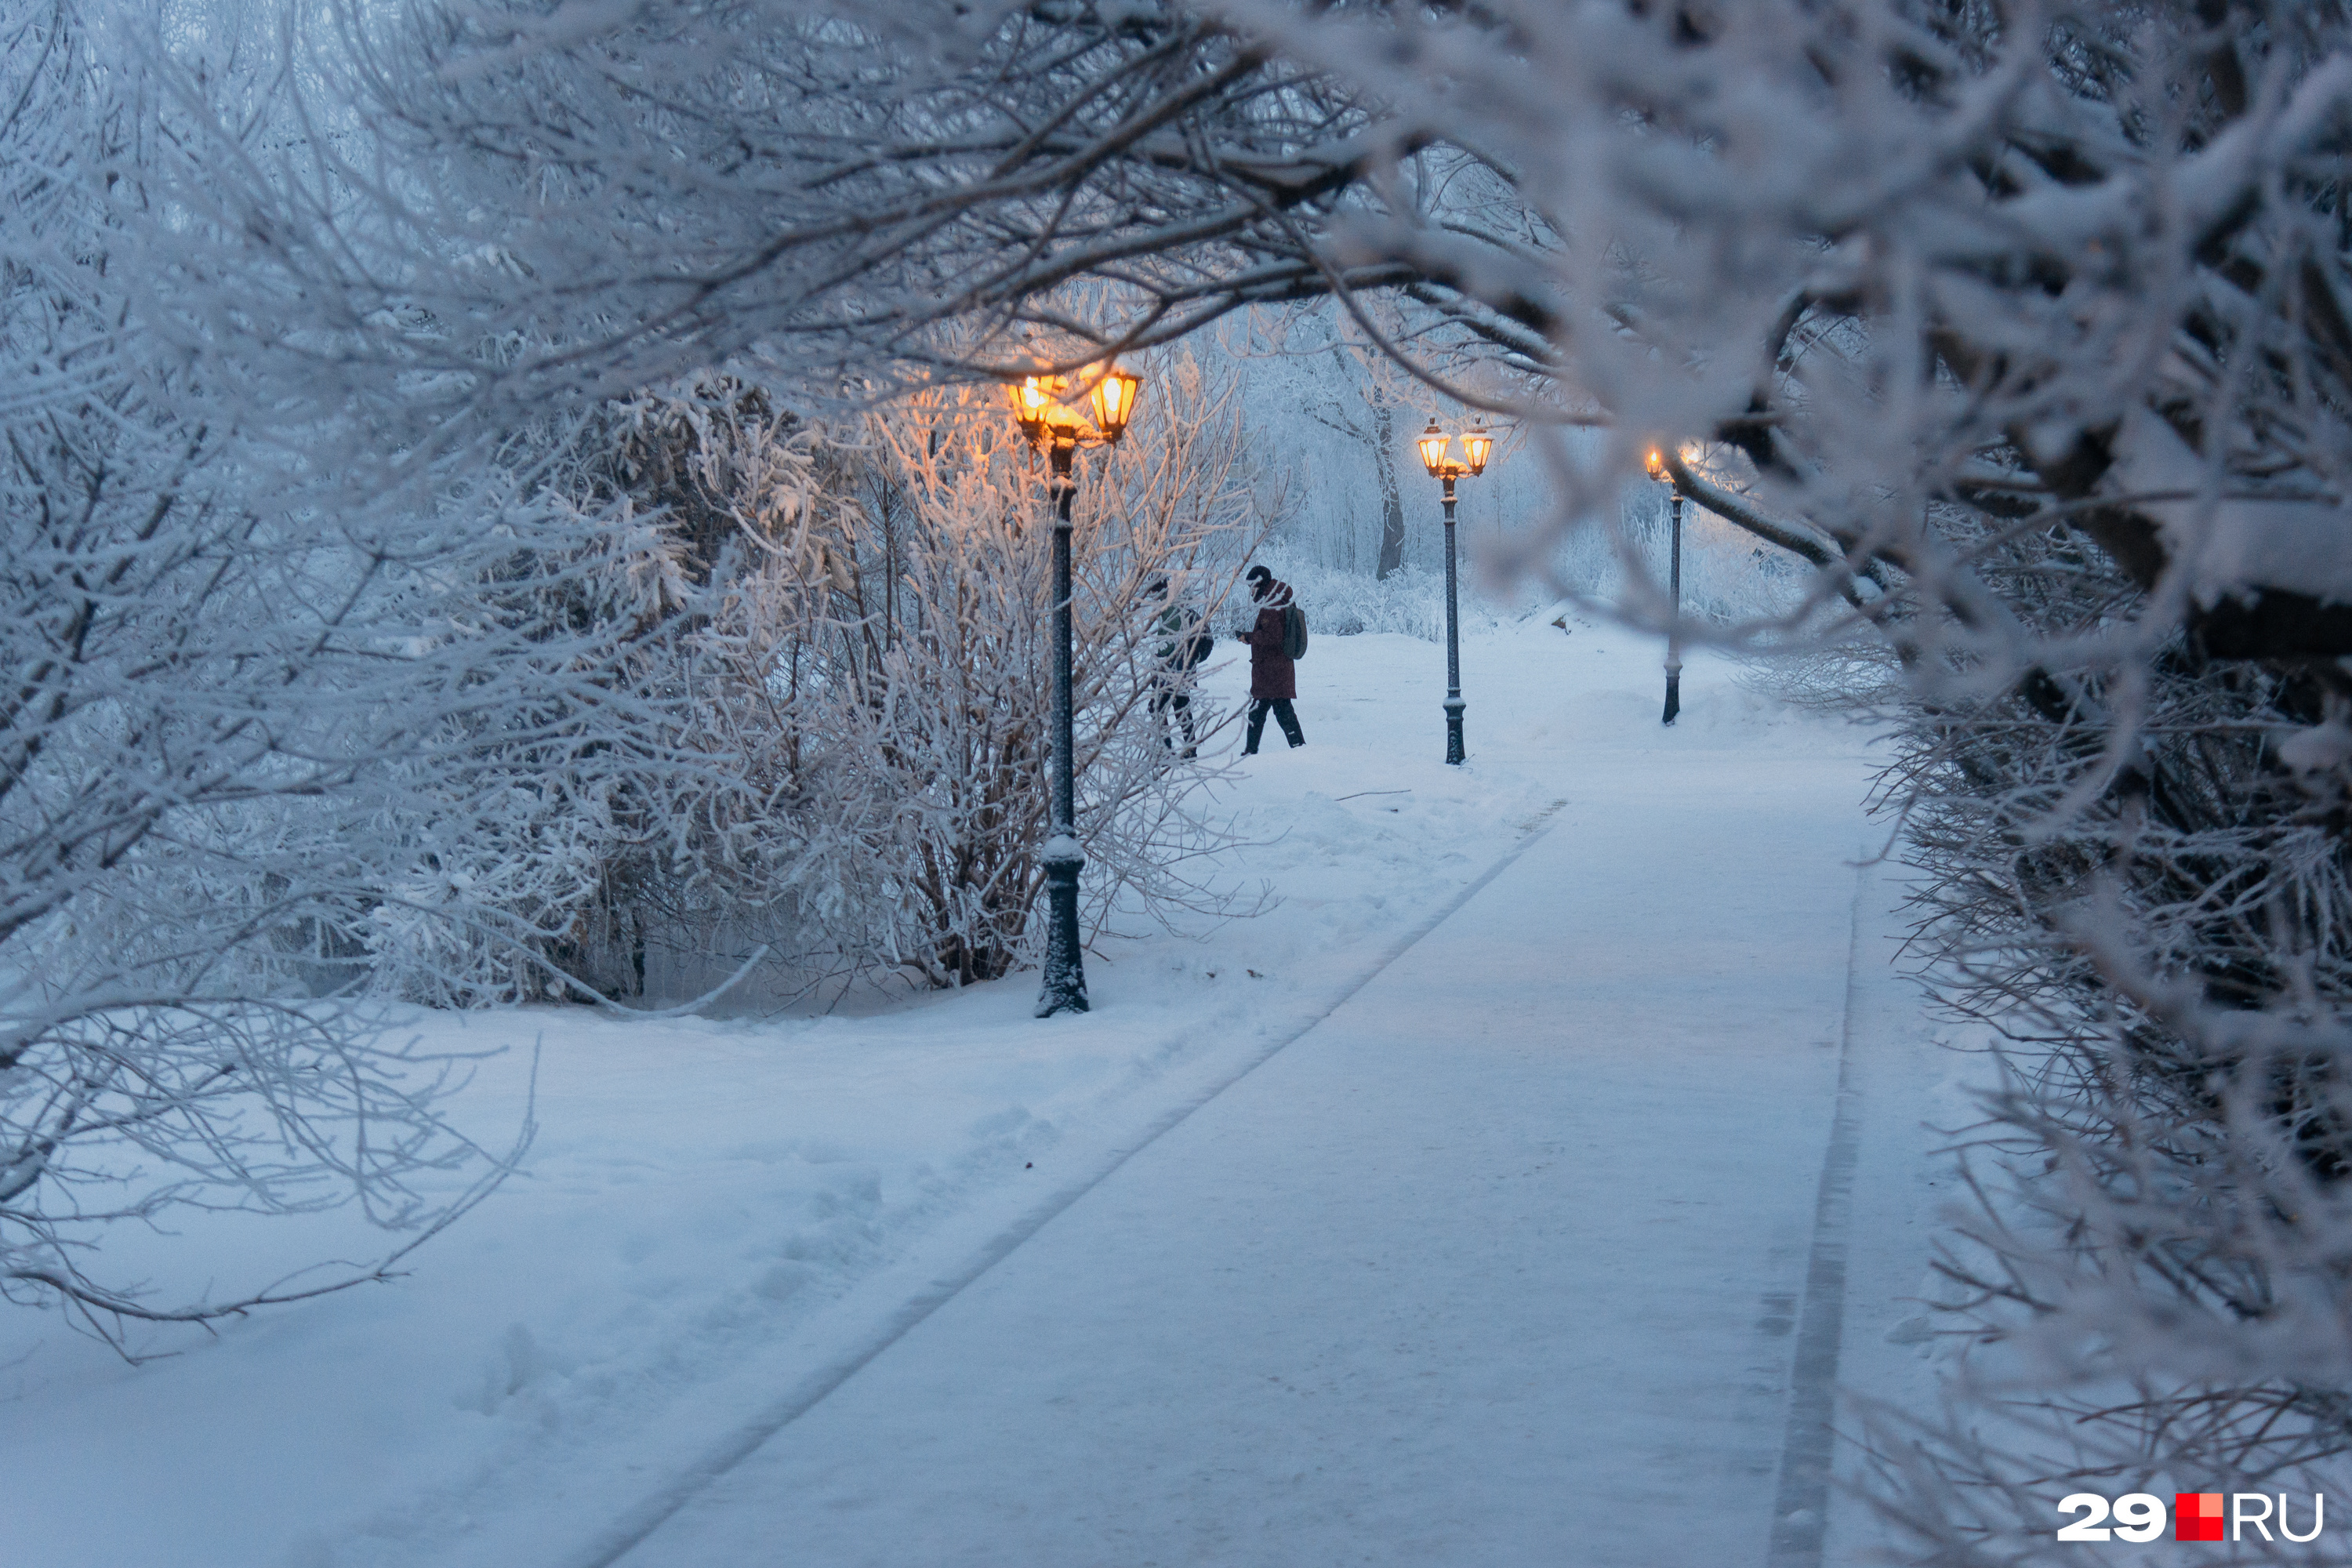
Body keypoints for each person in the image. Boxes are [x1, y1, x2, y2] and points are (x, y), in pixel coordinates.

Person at [1233, 564, 1305, 753]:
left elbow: (1273, 637)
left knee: (1272, 712)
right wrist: (1250, 636)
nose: (1250, 592)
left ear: (1260, 584)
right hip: (1274, 670)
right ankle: (1253, 751)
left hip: (1272, 672)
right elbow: (1271, 633)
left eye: (1252, 587)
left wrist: (1249, 637)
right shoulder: (1276, 599)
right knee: (1268, 711)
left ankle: (1296, 749)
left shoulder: (1272, 603)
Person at [1146, 576, 1207, 757]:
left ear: (1157, 591)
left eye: (1151, 592)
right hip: (1184, 666)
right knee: (1181, 705)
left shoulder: (1169, 608)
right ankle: (1189, 749)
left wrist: (1157, 660)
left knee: (1157, 707)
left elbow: (1169, 644)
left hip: (1173, 668)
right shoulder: (1176, 604)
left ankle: (1167, 751)